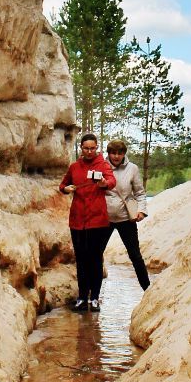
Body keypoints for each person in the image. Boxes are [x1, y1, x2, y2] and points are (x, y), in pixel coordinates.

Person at [59, 132, 115, 311]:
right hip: (77, 220)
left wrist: (104, 183)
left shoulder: (103, 165)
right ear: (81, 148)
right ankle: (82, 297)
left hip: (97, 221)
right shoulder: (75, 167)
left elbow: (112, 181)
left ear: (97, 148)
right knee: (81, 259)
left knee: (95, 259)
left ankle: (95, 298)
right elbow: (62, 185)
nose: (89, 151)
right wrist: (66, 189)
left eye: (92, 148)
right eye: (86, 148)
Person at [98, 139, 150, 291]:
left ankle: (147, 291)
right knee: (96, 255)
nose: (116, 156)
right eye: (113, 153)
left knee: (135, 256)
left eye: (119, 153)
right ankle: (92, 295)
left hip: (126, 218)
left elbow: (140, 193)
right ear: (108, 153)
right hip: (104, 218)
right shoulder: (101, 167)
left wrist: (142, 210)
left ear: (124, 154)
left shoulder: (132, 168)